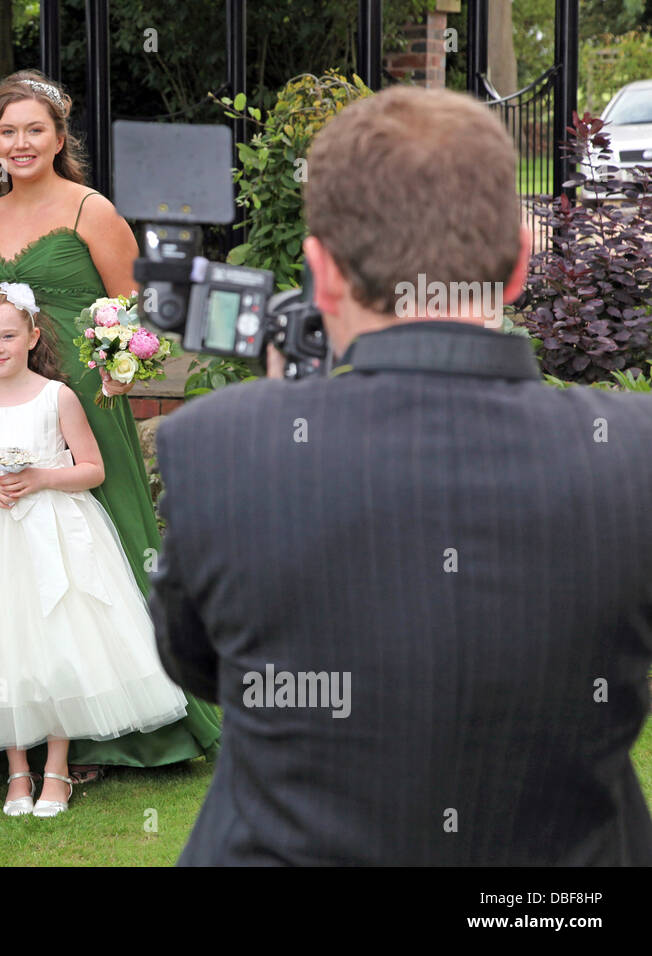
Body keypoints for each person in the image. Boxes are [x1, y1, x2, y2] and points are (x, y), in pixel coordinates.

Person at [152, 86, 652, 865]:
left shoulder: (216, 446)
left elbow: (202, 665)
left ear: (320, 273)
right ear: (521, 261)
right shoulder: (631, 452)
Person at [0, 70, 220, 775]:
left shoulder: (90, 210)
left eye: (34, 129)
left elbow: (139, 314)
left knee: (107, 553)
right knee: (19, 566)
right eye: (7, 131)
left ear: (59, 136)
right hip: (8, 409)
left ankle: (127, 725)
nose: (21, 142)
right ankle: (35, 721)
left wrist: (118, 370)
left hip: (83, 405)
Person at [0, 285, 187, 817]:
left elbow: (92, 469)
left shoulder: (57, 396)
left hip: (56, 526)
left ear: (33, 336)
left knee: (58, 640)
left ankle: (56, 767)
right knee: (4, 641)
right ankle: (16, 770)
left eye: (8, 335)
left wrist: (40, 477)